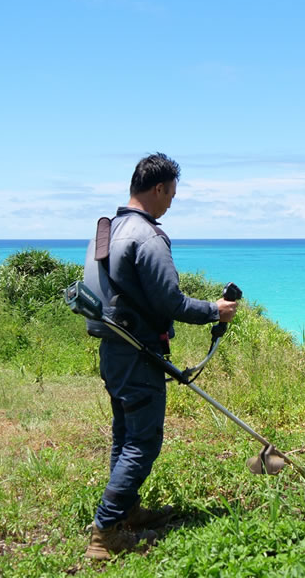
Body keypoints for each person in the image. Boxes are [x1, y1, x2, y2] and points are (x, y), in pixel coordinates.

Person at [83, 152, 238, 560]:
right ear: (158, 189)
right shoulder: (148, 236)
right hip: (137, 352)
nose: (172, 201)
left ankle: (125, 513)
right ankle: (105, 533)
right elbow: (170, 302)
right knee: (144, 442)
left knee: (126, 434)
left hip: (113, 349)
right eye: (171, 194)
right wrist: (214, 311)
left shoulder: (108, 229)